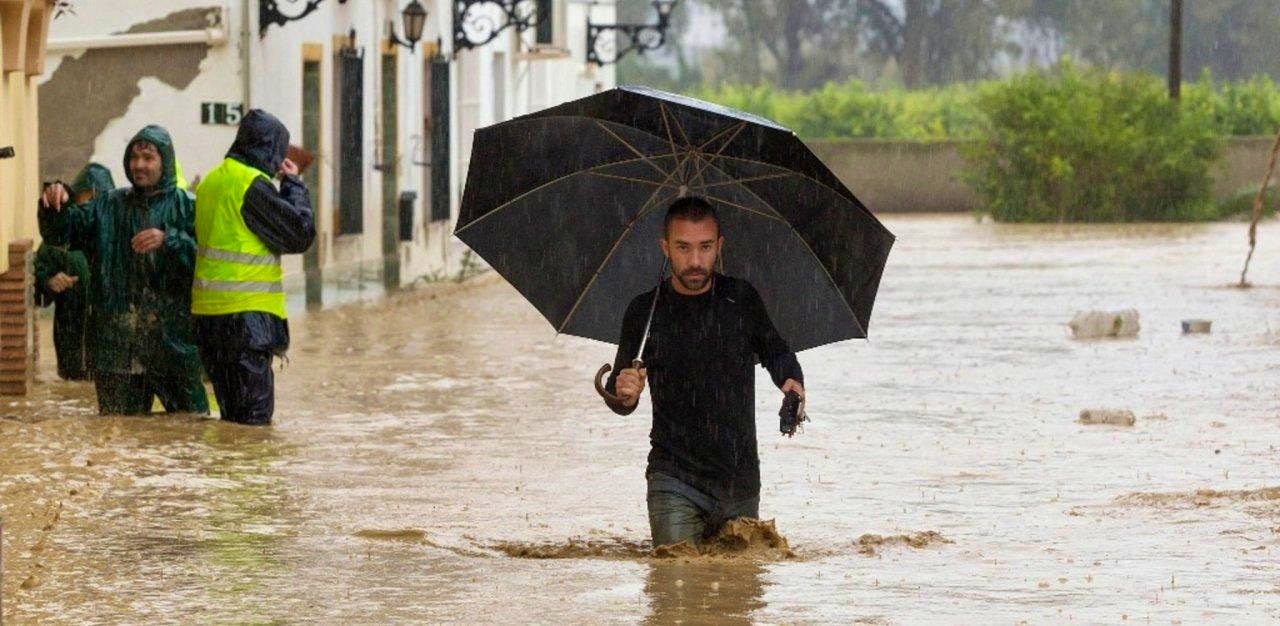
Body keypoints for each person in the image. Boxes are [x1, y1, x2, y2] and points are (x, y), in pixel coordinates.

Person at [604, 196, 806, 548]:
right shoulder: (644, 311)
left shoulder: (741, 300)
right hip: (673, 479)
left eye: (705, 247)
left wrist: (792, 381)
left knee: (737, 595)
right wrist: (623, 391)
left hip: (740, 481)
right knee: (675, 587)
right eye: (683, 248)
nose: (695, 261)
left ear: (719, 246)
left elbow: (777, 352)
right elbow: (620, 397)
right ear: (665, 248)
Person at [39, 126, 209, 415]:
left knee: (193, 427)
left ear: (164, 162)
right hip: (116, 349)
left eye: (148, 157)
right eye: (133, 157)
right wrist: (57, 201)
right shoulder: (107, 205)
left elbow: (206, 262)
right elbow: (63, 233)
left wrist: (170, 240)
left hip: (173, 346)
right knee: (119, 434)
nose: (139, 164)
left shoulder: (187, 206)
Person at [191, 108, 314, 426]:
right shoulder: (249, 185)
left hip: (209, 321)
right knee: (254, 427)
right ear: (269, 148)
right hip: (245, 323)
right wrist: (294, 185)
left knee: (231, 421)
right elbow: (299, 234)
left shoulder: (211, 182)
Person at [33, 163, 115, 381]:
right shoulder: (57, 244)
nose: (91, 206)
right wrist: (49, 283)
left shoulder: (120, 240)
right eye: (85, 199)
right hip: (72, 361)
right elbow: (36, 297)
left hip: (111, 360)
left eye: (97, 200)